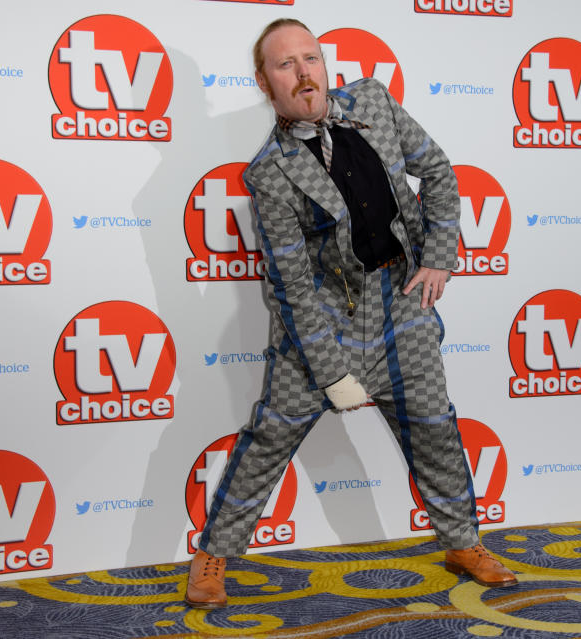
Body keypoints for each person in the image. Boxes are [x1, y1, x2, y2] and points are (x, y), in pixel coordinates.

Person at [184, 18, 517, 609]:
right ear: (265, 82)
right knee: (270, 436)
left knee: (436, 429)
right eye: (286, 65)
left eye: (310, 57)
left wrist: (439, 258)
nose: (303, 71)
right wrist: (333, 373)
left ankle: (463, 542)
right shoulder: (269, 173)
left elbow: (438, 172)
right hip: (322, 321)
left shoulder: (374, 102)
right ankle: (213, 554)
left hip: (401, 304)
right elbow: (289, 288)